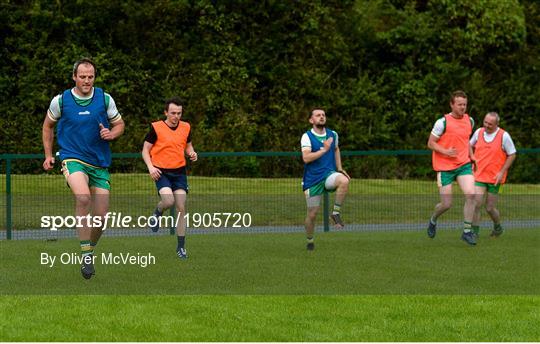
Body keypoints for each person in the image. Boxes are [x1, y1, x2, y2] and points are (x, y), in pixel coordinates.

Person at [42, 57, 125, 279]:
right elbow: (48, 126)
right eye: (82, 77)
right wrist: (49, 155)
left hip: (99, 163)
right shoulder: (61, 101)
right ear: (74, 77)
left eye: (90, 77)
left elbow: (119, 125)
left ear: (94, 78)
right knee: (83, 198)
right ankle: (86, 252)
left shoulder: (105, 99)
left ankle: (88, 251)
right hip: (72, 157)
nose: (86, 81)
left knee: (102, 216)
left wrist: (111, 134)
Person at [142, 97, 197, 259]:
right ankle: (158, 212)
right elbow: (145, 150)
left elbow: (188, 145)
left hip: (179, 172)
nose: (176, 116)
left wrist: (192, 153)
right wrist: (151, 167)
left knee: (181, 207)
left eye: (179, 113)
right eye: (173, 113)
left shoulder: (186, 127)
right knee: (168, 201)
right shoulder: (156, 128)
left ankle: (181, 247)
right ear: (166, 112)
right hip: (161, 172)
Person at [427, 90, 477, 245]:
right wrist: (445, 151)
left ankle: (467, 232)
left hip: (463, 164)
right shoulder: (442, 122)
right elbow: (430, 143)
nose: (463, 107)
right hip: (444, 167)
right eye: (460, 104)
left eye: (465, 104)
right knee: (447, 204)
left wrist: (471, 155)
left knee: (471, 194)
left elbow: (466, 141)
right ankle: (433, 219)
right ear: (452, 104)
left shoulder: (470, 121)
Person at [301, 108, 350, 251]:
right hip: (312, 180)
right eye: (318, 115)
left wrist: (340, 168)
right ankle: (310, 240)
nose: (321, 117)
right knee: (312, 214)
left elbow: (335, 149)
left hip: (329, 175)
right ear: (311, 120)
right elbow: (306, 158)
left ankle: (335, 213)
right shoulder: (307, 136)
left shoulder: (333, 135)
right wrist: (323, 149)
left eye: (323, 115)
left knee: (344, 181)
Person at [470, 112, 516, 238]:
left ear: (497, 124)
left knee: (490, 208)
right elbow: (469, 145)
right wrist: (472, 156)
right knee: (476, 204)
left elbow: (512, 154)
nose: (487, 125)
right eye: (485, 122)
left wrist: (501, 172)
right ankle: (474, 232)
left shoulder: (504, 136)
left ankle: (497, 227)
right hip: (479, 176)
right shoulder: (478, 132)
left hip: (495, 178)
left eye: (490, 124)